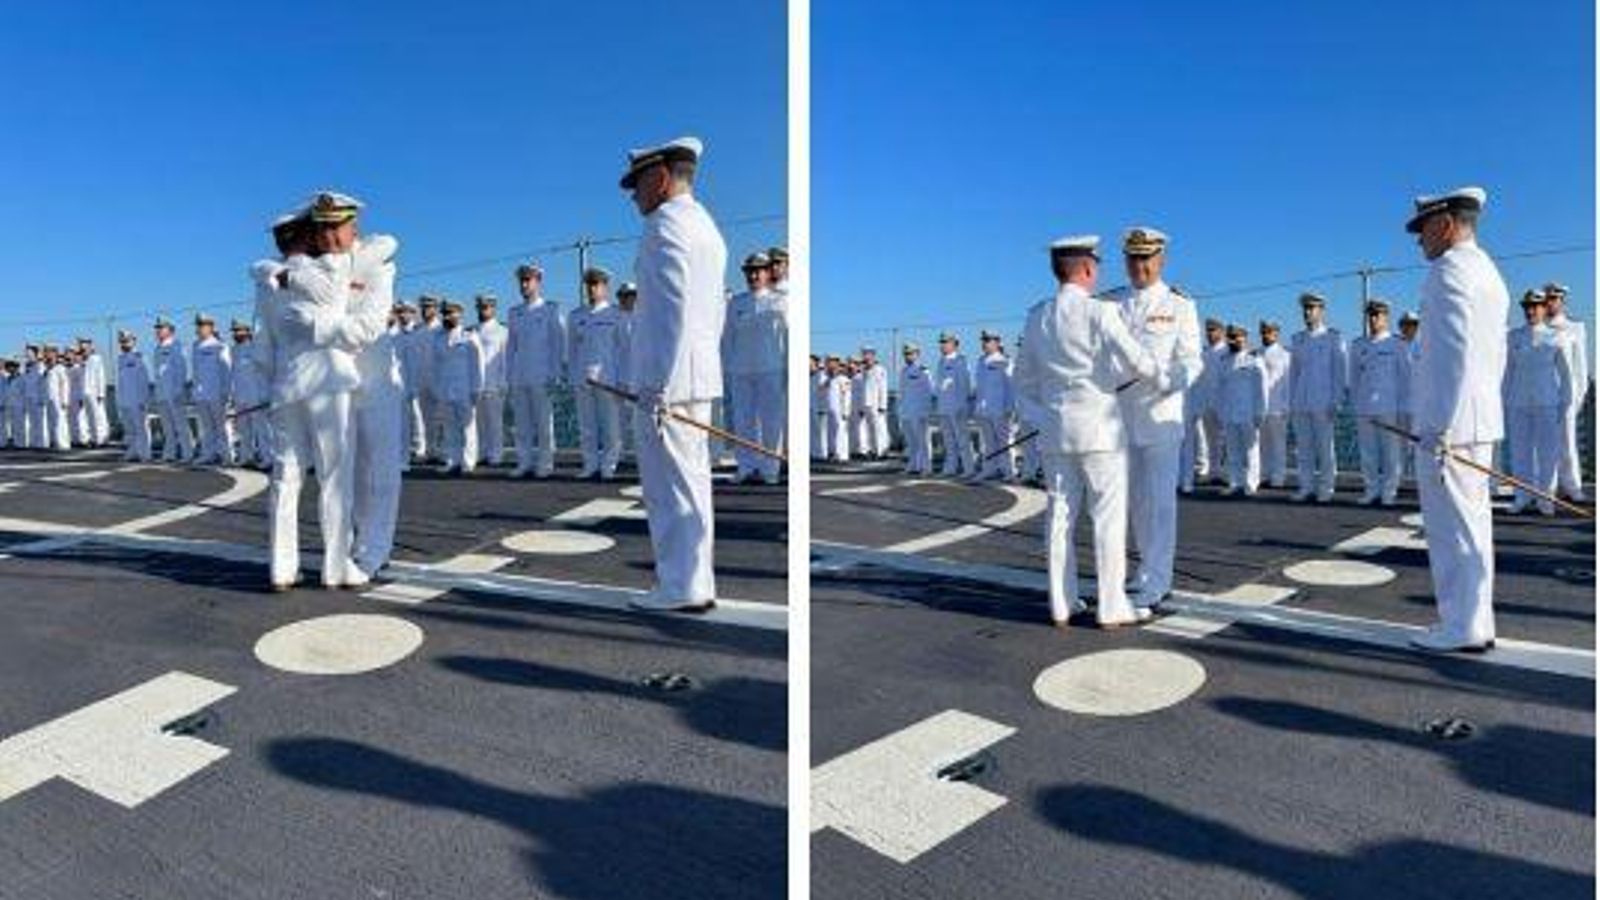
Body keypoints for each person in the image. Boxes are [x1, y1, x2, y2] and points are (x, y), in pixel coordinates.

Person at [1013, 235, 1158, 628]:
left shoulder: (1036, 316)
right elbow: (1139, 363)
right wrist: (1155, 369)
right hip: (1100, 433)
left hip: (1056, 434)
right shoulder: (1101, 312)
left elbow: (1021, 384)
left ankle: (1061, 603)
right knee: (1107, 518)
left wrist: (1046, 418)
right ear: (1089, 269)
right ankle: (1111, 606)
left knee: (1059, 516)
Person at [619, 136, 728, 612]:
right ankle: (695, 580)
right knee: (692, 483)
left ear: (661, 178)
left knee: (667, 488)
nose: (633, 195)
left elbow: (670, 314)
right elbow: (712, 314)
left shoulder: (665, 227)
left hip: (667, 383)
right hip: (696, 375)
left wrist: (657, 386)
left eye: (637, 183)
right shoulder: (707, 227)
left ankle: (678, 585)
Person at [1404, 186, 1509, 653]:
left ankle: (1459, 626)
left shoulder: (1448, 273)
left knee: (1451, 530)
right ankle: (1475, 621)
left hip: (1450, 427)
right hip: (1477, 420)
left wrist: (1440, 428)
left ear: (1445, 224)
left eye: (1424, 228)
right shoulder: (1487, 271)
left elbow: (1453, 358)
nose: (1419, 240)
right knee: (1472, 527)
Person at [284, 192, 403, 581]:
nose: (330, 237)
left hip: (376, 379)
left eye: (337, 227)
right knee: (343, 473)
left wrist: (318, 327)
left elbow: (369, 327)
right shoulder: (310, 272)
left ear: (355, 226)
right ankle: (350, 551)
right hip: (333, 383)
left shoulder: (377, 263)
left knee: (379, 468)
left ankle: (375, 550)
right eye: (323, 229)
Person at [253, 201, 360, 591]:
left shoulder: (267, 283)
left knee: (285, 479)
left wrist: (277, 378)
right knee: (334, 478)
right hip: (328, 385)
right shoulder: (329, 268)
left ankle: (281, 569)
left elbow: (261, 349)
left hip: (286, 386)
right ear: (307, 235)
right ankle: (334, 569)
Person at [1114, 226, 1204, 609]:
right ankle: (1143, 570)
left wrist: (1167, 380)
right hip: (1118, 419)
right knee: (1134, 501)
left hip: (1160, 414)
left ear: (1161, 259)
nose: (1140, 266)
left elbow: (1191, 361)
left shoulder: (1179, 305)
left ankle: (1159, 579)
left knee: (1160, 501)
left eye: (1146, 258)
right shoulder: (1111, 305)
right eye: (1134, 259)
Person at [1503, 289, 1570, 515]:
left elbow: (1566, 374)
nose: (1531, 311)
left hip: (1547, 402)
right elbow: (1508, 372)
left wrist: (1566, 402)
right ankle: (1522, 495)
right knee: (1520, 451)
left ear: (1544, 308)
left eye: (1536, 306)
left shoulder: (1556, 336)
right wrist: (1504, 400)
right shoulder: (1513, 337)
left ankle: (1545, 498)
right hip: (1519, 401)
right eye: (1527, 307)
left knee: (1547, 452)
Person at [722, 252, 787, 482]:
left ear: (768, 273)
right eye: (749, 271)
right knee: (743, 421)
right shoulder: (736, 303)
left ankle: (770, 469)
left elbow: (788, 338)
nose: (753, 275)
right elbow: (727, 339)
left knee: (771, 421)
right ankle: (746, 466)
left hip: (771, 368)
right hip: (741, 370)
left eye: (758, 270)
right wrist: (728, 369)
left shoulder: (781, 301)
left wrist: (788, 371)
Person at [504, 263, 567, 479]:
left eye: (528, 280)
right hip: (521, 374)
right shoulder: (514, 313)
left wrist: (556, 373)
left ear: (538, 282)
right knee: (521, 424)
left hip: (542, 374)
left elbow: (558, 344)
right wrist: (509, 376)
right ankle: (524, 462)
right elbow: (511, 347)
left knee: (543, 422)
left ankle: (545, 463)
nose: (524, 284)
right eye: (521, 281)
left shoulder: (550, 310)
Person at [1288, 292, 1346, 502]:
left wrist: (1337, 400)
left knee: (1324, 447)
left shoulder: (1333, 338)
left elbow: (1339, 372)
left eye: (1312, 308)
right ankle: (1306, 487)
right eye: (1305, 308)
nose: (1307, 312)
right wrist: (1292, 401)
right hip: (1302, 400)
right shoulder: (1297, 339)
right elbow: (1294, 374)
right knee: (1303, 448)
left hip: (1323, 400)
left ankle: (1326, 488)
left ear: (1322, 311)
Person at [1348, 299, 1407, 505]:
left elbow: (1404, 378)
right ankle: (1371, 489)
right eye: (1371, 315)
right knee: (1368, 452)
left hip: (1389, 405)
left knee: (1391, 451)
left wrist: (1402, 407)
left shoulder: (1397, 344)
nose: (1374, 319)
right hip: (1365, 406)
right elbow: (1354, 378)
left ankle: (1389, 491)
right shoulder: (1358, 345)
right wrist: (1355, 404)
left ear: (1386, 317)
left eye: (1378, 315)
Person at [1544, 283, 1590, 502]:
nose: (1550, 303)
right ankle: (1547, 487)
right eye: (1548, 299)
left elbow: (1579, 367)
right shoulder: (1539, 329)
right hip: (1544, 394)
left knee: (1567, 442)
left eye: (1554, 299)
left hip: (1566, 395)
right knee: (1543, 443)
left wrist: (1578, 396)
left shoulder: (1574, 328)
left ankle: (1572, 486)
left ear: (1562, 301)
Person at [434, 299, 483, 475]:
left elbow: (478, 365)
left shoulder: (469, 335)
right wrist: (438, 388)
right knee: (449, 427)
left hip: (465, 388)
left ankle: (468, 462)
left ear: (459, 315)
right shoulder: (438, 338)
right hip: (446, 388)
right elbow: (436, 366)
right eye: (445, 313)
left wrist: (477, 388)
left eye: (451, 313)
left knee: (468, 427)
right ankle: (452, 459)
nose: (447, 316)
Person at [1218, 324, 1266, 495]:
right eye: (1231, 336)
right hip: (1230, 411)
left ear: (1245, 338)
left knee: (1251, 450)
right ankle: (1235, 482)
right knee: (1232, 449)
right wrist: (1221, 411)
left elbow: (1262, 389)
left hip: (1249, 411)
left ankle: (1251, 483)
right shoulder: (1224, 361)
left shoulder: (1254, 359)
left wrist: (1260, 411)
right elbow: (1221, 389)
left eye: (1238, 336)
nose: (1234, 339)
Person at [190, 313, 234, 465]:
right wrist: (195, 392)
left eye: (202, 326)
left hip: (217, 393)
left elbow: (226, 371)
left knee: (222, 427)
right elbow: (195, 372)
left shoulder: (219, 346)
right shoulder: (195, 346)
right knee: (206, 428)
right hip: (202, 394)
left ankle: (227, 455)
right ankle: (208, 454)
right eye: (198, 326)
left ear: (210, 327)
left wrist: (227, 393)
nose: (199, 329)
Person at [472, 293, 510, 468]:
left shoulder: (502, 331)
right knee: (478, 422)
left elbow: (505, 358)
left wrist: (503, 382)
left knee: (494, 422)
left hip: (494, 382)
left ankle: (496, 454)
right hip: (476, 384)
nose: (484, 310)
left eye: (487, 307)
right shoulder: (471, 331)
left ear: (494, 309)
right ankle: (481, 452)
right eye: (481, 307)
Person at [972, 330, 1016, 481]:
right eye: (983, 340)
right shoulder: (980, 361)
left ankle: (1009, 471)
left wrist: (1010, 408)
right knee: (988, 442)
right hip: (984, 409)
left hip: (1000, 409)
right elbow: (980, 388)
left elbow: (1010, 386)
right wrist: (977, 407)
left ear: (997, 342)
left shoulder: (1004, 361)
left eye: (988, 340)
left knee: (1004, 442)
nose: (985, 343)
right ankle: (990, 469)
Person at [228, 320, 272, 468]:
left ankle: (268, 457)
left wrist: (265, 393)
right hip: (241, 395)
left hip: (256, 395)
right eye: (234, 331)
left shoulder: (256, 348)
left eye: (239, 331)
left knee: (262, 429)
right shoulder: (234, 350)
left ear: (247, 332)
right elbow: (234, 374)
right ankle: (247, 457)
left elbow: (265, 372)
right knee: (244, 430)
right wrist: (233, 395)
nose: (236, 334)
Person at [932, 332, 975, 476]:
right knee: (948, 441)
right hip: (944, 407)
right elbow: (939, 387)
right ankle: (951, 467)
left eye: (945, 342)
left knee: (962, 440)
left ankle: (969, 468)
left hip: (957, 407)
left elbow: (964, 385)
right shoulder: (941, 361)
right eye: (941, 342)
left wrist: (963, 405)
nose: (942, 345)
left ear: (954, 344)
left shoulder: (959, 361)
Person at [150, 317, 192, 462]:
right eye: (157, 328)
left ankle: (187, 453)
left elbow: (182, 369)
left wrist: (179, 390)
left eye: (162, 328)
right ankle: (170, 453)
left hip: (174, 392)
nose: (158, 331)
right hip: (162, 392)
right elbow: (157, 374)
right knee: (167, 427)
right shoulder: (157, 349)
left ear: (170, 330)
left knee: (181, 425)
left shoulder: (177, 346)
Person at [1195, 318, 1229, 487]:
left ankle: (1228, 473)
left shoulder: (1228, 352)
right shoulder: (1204, 354)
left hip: (1224, 403)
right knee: (1210, 440)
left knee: (1228, 440)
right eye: (1208, 331)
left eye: (1214, 330)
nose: (1210, 334)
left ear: (1222, 332)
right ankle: (1213, 471)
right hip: (1207, 402)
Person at [1257, 320, 1292, 487]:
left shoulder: (1285, 355)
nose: (1266, 335)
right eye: (1263, 332)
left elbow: (1288, 382)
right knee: (1262, 444)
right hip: (1260, 407)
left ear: (1277, 334)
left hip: (1278, 406)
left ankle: (1278, 476)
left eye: (1269, 332)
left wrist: (1287, 406)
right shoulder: (1255, 355)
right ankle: (1264, 474)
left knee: (1278, 444)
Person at [114, 331, 152, 461]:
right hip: (125, 399)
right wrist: (119, 399)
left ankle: (144, 454)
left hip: (137, 399)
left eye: (127, 341)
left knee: (141, 428)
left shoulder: (139, 357)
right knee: (130, 429)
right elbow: (121, 381)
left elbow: (144, 380)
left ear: (133, 341)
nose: (124, 344)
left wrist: (144, 399)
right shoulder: (120, 358)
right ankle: (133, 451)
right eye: (122, 341)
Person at [897, 342, 933, 475]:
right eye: (906, 354)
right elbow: (902, 392)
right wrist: (901, 410)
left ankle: (926, 466)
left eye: (911, 353)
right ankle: (913, 465)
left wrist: (926, 410)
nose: (908, 356)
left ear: (918, 354)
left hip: (919, 410)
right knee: (911, 441)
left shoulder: (923, 370)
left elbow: (929, 391)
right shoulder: (903, 371)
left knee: (922, 440)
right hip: (907, 410)